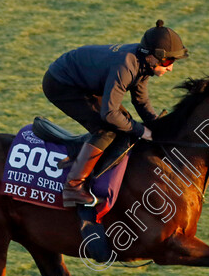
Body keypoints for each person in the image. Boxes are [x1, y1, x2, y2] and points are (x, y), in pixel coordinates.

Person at [42, 20, 189, 207]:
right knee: (108, 129)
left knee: (124, 124)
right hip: (61, 84)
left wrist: (156, 128)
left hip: (86, 84)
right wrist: (142, 131)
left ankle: (85, 160)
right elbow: (109, 114)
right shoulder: (126, 66)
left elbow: (140, 101)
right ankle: (73, 188)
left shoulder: (143, 64)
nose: (170, 67)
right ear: (152, 57)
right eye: (168, 61)